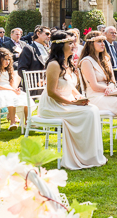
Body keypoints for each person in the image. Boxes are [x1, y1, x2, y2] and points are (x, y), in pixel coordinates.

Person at [37, 30, 106, 169]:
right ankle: (82, 156)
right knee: (87, 113)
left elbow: (70, 86)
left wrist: (79, 97)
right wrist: (72, 103)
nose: (74, 45)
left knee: (92, 109)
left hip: (65, 102)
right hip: (52, 106)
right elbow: (51, 92)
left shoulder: (67, 63)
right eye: (70, 43)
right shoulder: (54, 64)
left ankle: (90, 155)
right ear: (60, 46)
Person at [0, 48, 29, 130]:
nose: (7, 62)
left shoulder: (9, 70)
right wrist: (11, 90)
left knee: (24, 97)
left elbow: (12, 84)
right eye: (5, 59)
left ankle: (27, 122)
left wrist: (15, 90)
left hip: (8, 88)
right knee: (9, 97)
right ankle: (13, 122)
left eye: (9, 60)